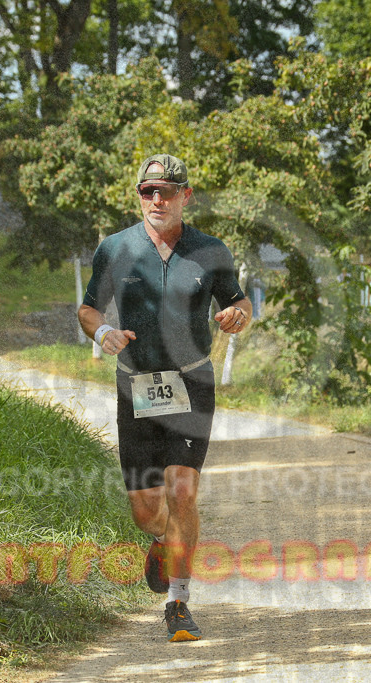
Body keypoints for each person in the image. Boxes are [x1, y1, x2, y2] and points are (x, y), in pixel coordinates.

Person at [77, 153, 251, 642]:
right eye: (147, 191)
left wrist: (239, 315)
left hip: (192, 383)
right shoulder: (115, 248)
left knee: (181, 490)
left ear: (185, 196)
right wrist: (103, 331)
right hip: (136, 385)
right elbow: (88, 309)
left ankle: (179, 602)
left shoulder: (210, 250)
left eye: (167, 191)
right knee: (146, 509)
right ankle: (159, 541)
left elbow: (237, 301)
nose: (157, 199)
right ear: (139, 195)